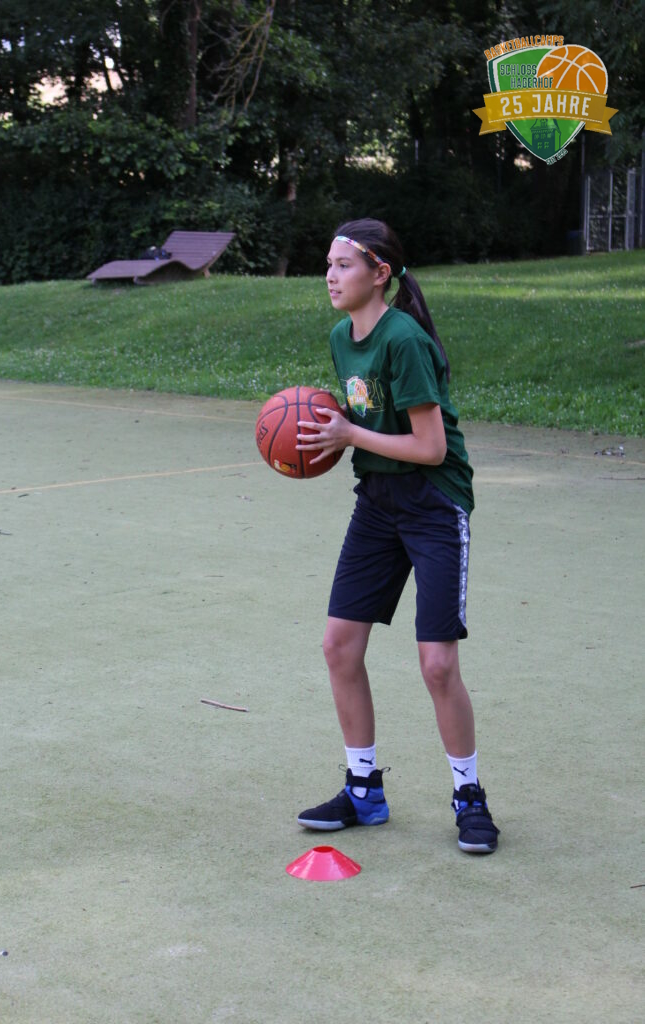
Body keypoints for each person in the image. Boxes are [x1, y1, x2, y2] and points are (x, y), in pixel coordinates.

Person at [295, 218, 499, 853]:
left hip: (433, 503)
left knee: (437, 665)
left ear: (379, 273)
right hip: (378, 502)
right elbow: (367, 420)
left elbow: (431, 447)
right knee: (339, 646)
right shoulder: (342, 336)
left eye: (343, 265)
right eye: (328, 265)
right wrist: (330, 434)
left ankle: (469, 797)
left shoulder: (404, 339)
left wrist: (350, 434)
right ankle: (364, 790)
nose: (331, 276)